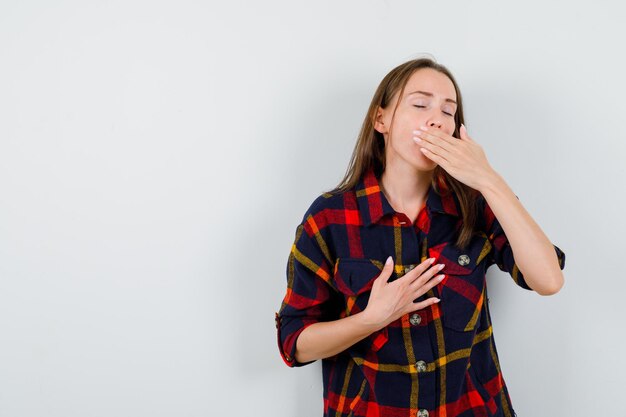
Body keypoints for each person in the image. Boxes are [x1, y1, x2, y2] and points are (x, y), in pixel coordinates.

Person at [275, 57, 566, 417]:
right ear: (380, 119)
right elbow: (294, 343)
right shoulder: (330, 217)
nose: (437, 120)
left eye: (449, 111)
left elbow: (549, 280)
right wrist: (371, 318)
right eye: (420, 104)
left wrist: (489, 179)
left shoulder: (477, 203)